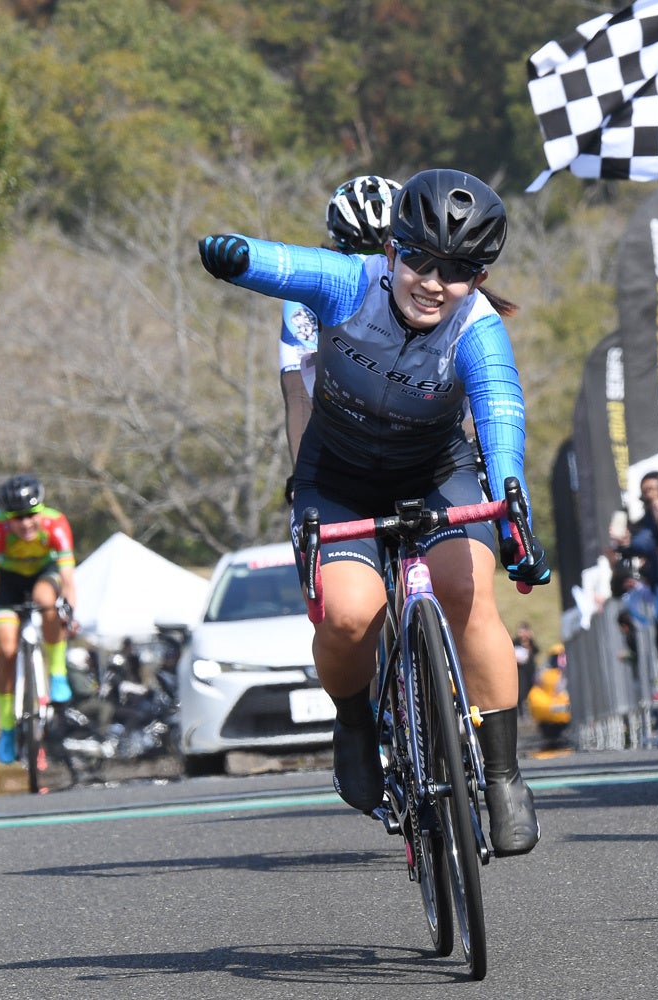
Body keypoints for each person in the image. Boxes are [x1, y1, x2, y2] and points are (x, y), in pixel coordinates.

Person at [198, 168, 552, 856]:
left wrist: (516, 519)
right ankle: (355, 721)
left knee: (468, 595)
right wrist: (236, 257)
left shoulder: (478, 329)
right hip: (340, 477)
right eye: (420, 260)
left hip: (437, 474)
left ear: (479, 278)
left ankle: (503, 774)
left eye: (457, 271)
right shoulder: (348, 283)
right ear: (391, 251)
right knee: (350, 615)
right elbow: (283, 265)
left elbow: (501, 420)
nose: (434, 282)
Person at [280, 175, 404, 466]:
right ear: (335, 251)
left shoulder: (431, 289)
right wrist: (301, 471)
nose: (371, 267)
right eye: (356, 254)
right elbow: (299, 391)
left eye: (383, 254)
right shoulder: (310, 291)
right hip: (345, 436)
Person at [0, 473, 80, 763]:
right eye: (17, 517)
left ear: (41, 509)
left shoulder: (56, 524)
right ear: (7, 517)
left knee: (47, 599)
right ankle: (7, 727)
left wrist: (69, 611)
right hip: (8, 583)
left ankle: (57, 673)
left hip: (44, 574)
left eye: (32, 514)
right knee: (7, 648)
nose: (25, 523)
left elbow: (68, 579)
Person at [512, 621, 538, 712]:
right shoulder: (515, 642)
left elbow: (536, 651)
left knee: (531, 690)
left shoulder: (530, 643)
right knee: (520, 692)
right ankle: (521, 711)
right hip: (519, 672)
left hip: (530, 671)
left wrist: (530, 641)